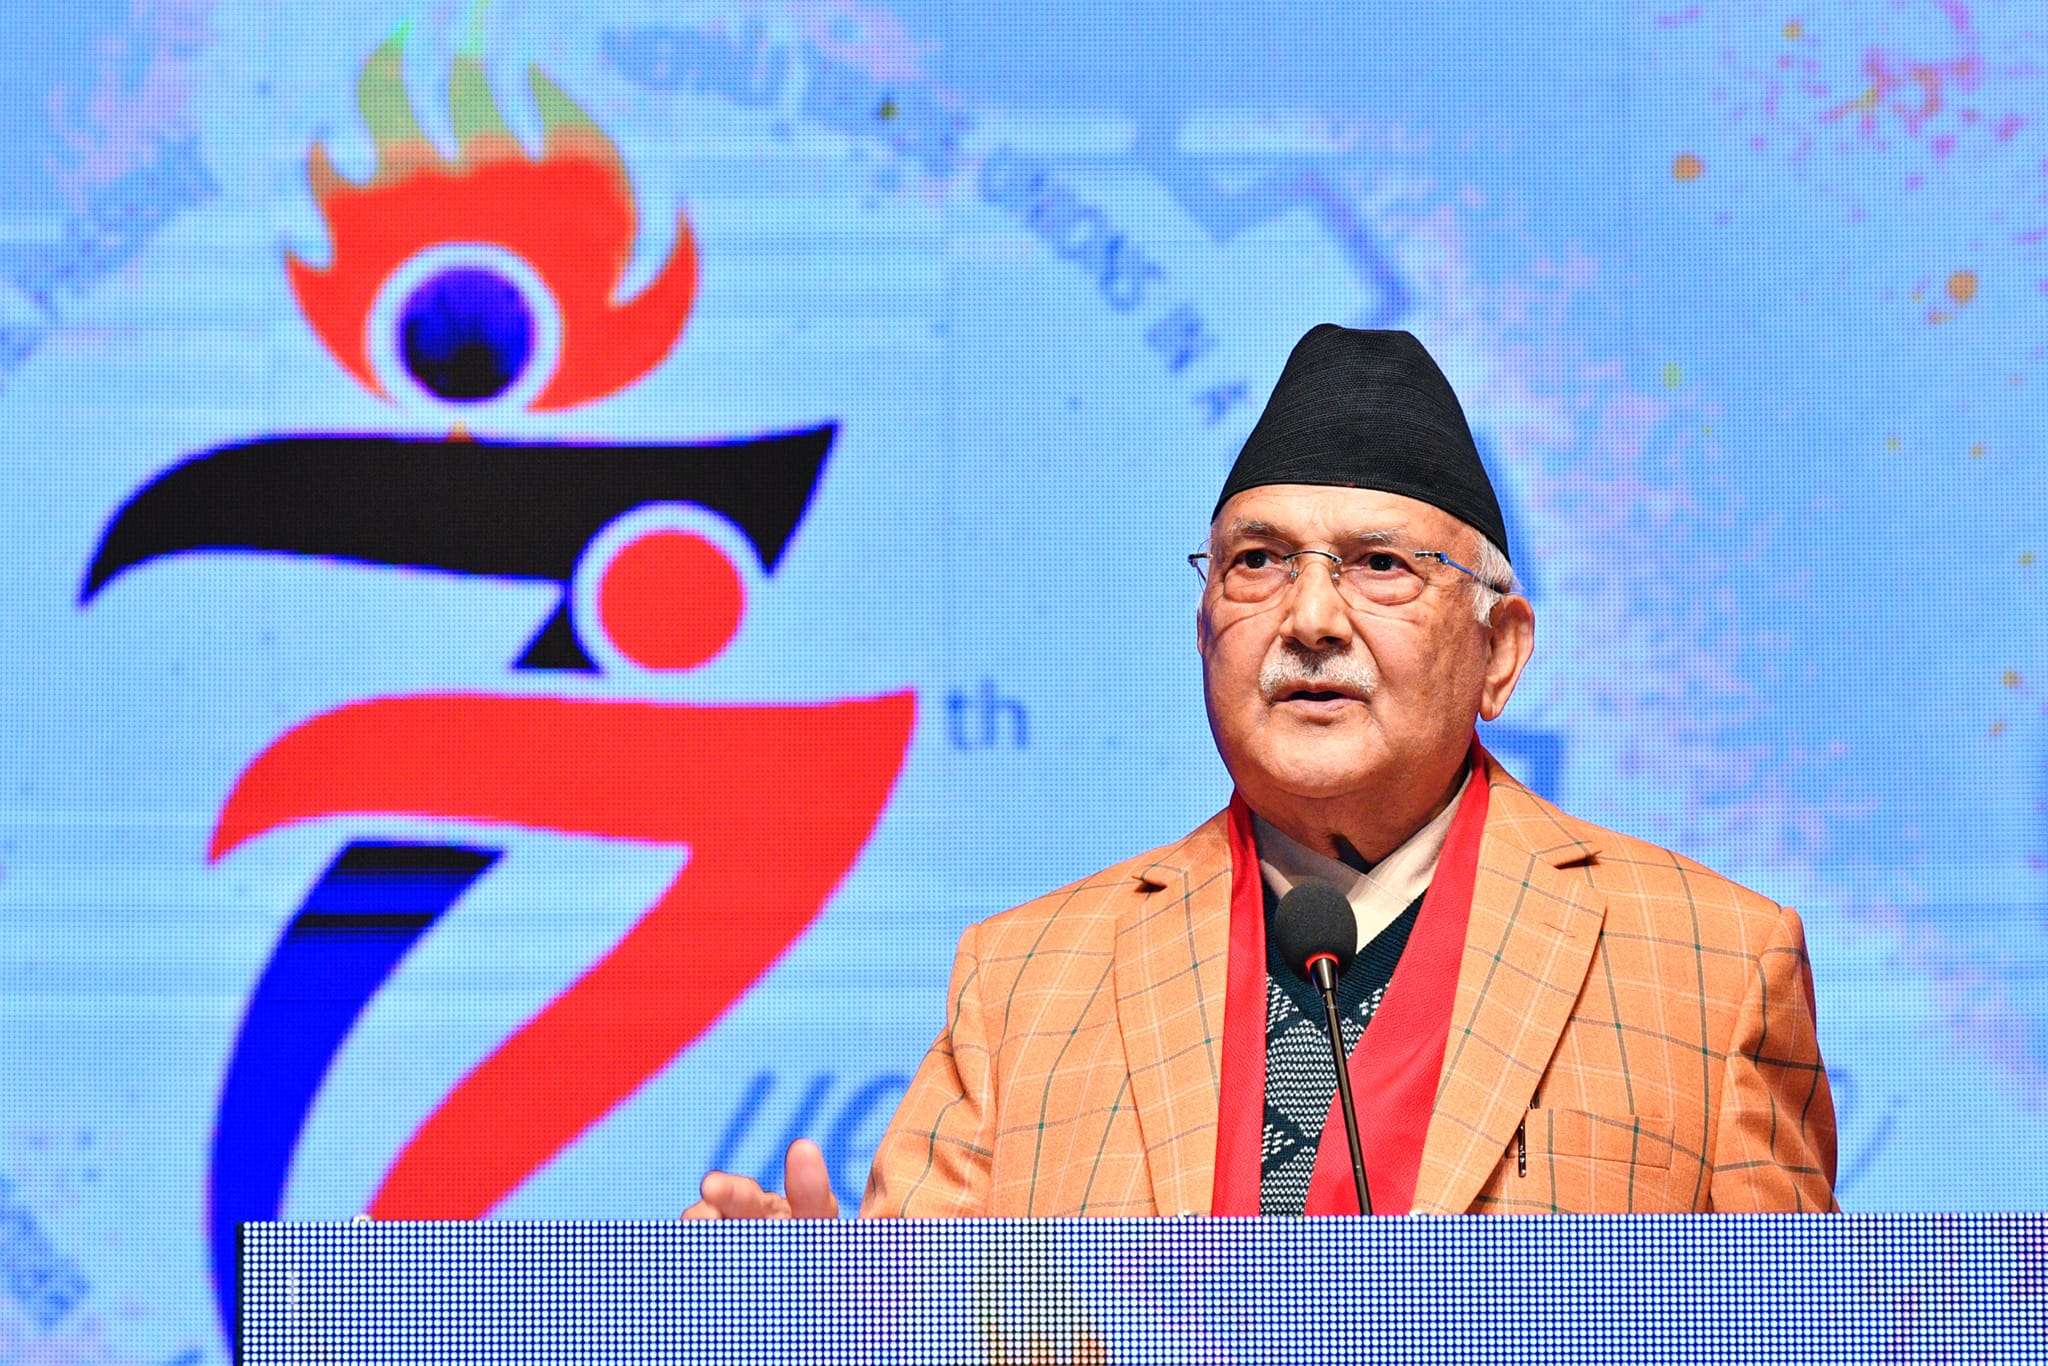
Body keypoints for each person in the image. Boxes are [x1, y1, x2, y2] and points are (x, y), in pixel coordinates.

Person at [685, 325, 1837, 1221]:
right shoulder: (1023, 981)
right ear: (1202, 630)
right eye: (1258, 562)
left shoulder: (1711, 964)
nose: (1310, 619)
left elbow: (1801, 1334)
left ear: (1499, 652)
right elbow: (934, 1327)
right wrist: (834, 1327)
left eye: (1379, 564)